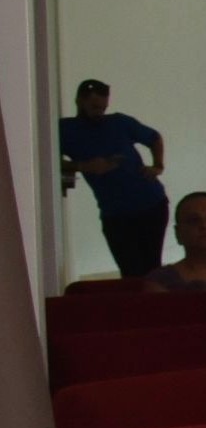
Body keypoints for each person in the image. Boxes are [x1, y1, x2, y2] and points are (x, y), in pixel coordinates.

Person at [60, 79, 170, 280]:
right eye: (95, 107)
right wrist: (83, 166)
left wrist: (158, 166)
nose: (99, 112)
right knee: (130, 271)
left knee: (152, 268)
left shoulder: (120, 122)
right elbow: (46, 161)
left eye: (103, 107)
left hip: (151, 204)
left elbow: (154, 138)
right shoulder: (66, 130)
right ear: (80, 101)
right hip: (115, 212)